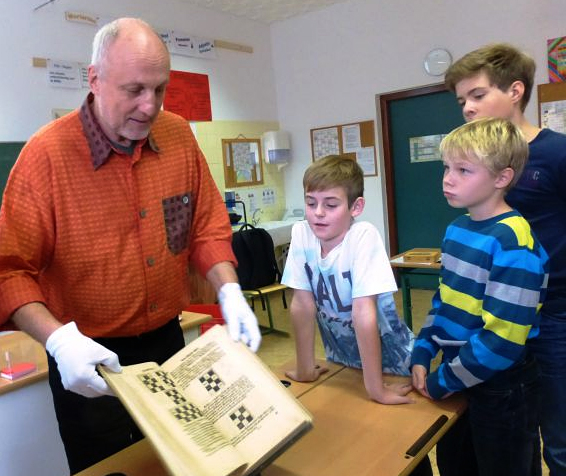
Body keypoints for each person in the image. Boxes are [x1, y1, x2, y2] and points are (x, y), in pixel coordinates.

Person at [0, 18, 261, 474]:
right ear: (95, 79)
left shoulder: (178, 136)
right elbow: (9, 270)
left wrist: (229, 290)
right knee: (109, 466)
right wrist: (59, 341)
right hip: (89, 355)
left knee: (184, 457)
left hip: (168, 341)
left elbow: (205, 226)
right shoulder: (45, 157)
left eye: (160, 89)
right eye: (135, 89)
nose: (150, 105)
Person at [445, 43, 566, 475]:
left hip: (554, 316)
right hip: (492, 316)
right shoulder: (473, 161)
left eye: (477, 95)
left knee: (559, 437)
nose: (468, 108)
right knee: (506, 427)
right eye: (462, 101)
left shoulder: (555, 152)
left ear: (515, 91)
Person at [411, 118, 549, 476]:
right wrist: (423, 351)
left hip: (502, 388)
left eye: (463, 170)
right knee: (457, 464)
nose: (448, 178)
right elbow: (444, 301)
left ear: (502, 178)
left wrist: (441, 382)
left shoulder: (513, 242)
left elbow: (502, 342)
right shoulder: (456, 229)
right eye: (446, 167)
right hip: (460, 375)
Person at [281, 154, 434, 475]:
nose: (318, 213)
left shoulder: (362, 237)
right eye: (311, 203)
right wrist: (305, 367)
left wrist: (376, 386)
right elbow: (302, 303)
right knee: (355, 447)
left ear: (356, 207)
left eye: (331, 204)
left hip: (391, 362)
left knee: (401, 445)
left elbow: (365, 314)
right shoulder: (302, 234)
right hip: (344, 358)